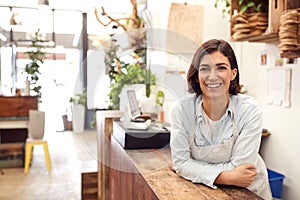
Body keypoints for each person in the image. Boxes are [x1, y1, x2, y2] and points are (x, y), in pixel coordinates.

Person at [170, 39, 272, 199]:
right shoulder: (182, 110)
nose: (212, 76)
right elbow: (181, 163)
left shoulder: (249, 110)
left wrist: (193, 168)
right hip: (205, 192)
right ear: (197, 75)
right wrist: (228, 176)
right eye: (204, 69)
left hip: (248, 193)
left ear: (233, 74)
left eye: (221, 68)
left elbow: (241, 168)